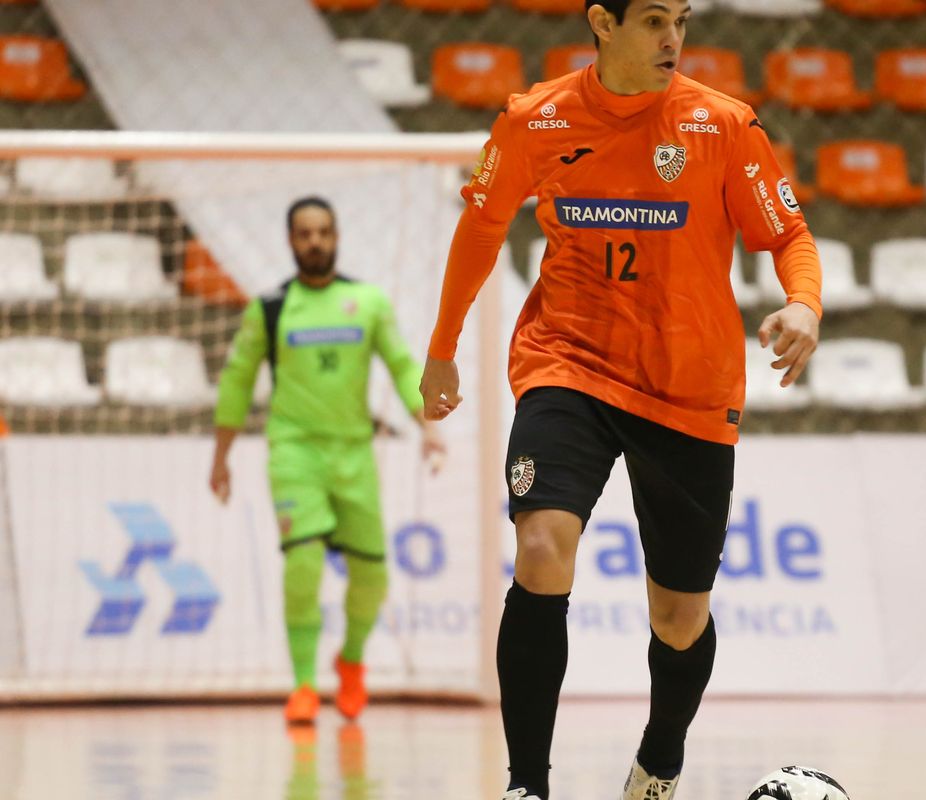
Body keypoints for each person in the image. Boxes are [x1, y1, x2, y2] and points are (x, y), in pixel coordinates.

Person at [418, 1, 822, 798]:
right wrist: (441, 349)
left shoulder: (723, 125)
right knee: (540, 550)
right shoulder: (535, 121)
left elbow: (789, 235)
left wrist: (803, 303)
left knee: (679, 618)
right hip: (568, 362)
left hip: (687, 387)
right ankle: (526, 786)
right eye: (652, 20)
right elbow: (482, 225)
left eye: (681, 20)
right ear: (602, 23)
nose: (673, 39)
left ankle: (659, 762)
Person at [211, 197, 445, 725]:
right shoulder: (269, 308)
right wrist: (220, 457)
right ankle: (302, 685)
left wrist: (427, 426)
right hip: (294, 451)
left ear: (336, 236)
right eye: (304, 234)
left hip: (354, 453)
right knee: (303, 563)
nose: (314, 241)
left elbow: (403, 365)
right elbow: (236, 383)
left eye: (322, 232)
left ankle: (352, 660)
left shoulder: (368, 302)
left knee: (372, 578)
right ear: (290, 241)